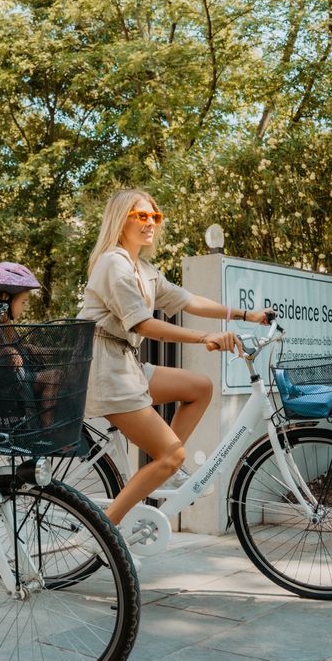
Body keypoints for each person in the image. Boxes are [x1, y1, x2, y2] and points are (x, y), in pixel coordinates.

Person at [78, 188, 271, 535]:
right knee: (173, 456)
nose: (150, 222)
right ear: (121, 219)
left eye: (155, 216)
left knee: (199, 387)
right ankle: (104, 533)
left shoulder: (143, 268)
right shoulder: (113, 263)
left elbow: (187, 300)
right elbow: (142, 324)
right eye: (142, 216)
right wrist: (204, 337)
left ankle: (163, 464)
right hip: (105, 368)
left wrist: (246, 315)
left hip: (125, 363)